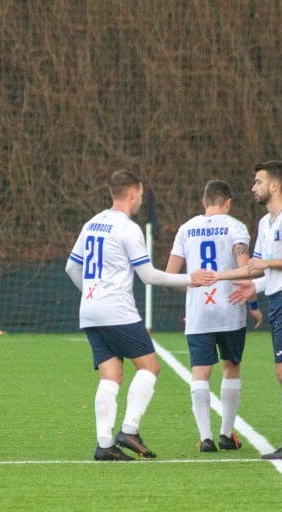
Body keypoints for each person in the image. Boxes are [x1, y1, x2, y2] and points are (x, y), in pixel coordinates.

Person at [65, 169, 214, 461]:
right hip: (116, 310)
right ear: (132, 193)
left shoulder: (92, 223)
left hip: (91, 311)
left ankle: (104, 444)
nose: (140, 200)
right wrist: (189, 279)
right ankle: (129, 430)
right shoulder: (127, 228)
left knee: (111, 374)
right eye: (141, 195)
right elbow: (147, 276)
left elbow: (71, 267)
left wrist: (90, 292)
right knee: (150, 367)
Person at [220, 161, 282, 460]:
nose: (253, 187)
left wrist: (268, 266)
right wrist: (223, 278)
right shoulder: (266, 223)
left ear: (274, 186)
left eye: (258, 181)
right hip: (278, 299)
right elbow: (255, 267)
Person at [165, 179, 262, 452]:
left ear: (204, 202)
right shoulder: (236, 227)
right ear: (228, 203)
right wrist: (253, 305)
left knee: (201, 371)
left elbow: (170, 276)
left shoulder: (186, 228)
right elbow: (246, 270)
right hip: (230, 307)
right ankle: (226, 433)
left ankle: (206, 437)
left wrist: (192, 295)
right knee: (231, 367)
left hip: (200, 312)